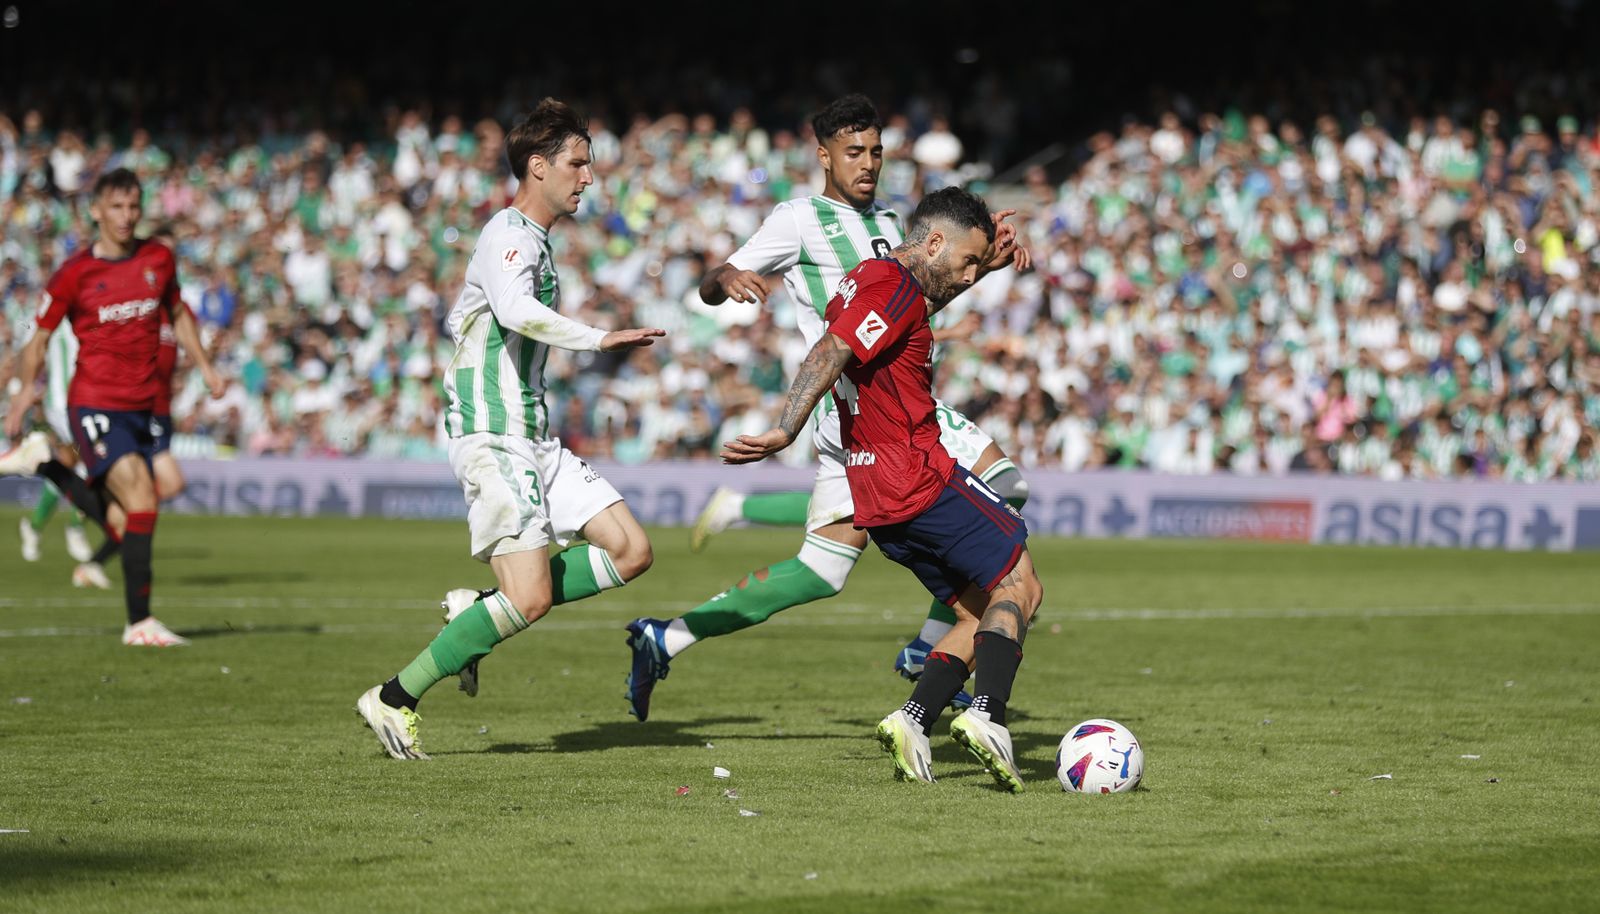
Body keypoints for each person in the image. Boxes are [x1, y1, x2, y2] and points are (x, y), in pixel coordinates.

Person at [624, 95, 1031, 721]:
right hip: (850, 408)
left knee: (822, 570)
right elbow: (712, 284)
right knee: (1004, 485)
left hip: (899, 400)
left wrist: (978, 267)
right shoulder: (797, 219)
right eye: (853, 153)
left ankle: (667, 637)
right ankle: (932, 647)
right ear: (823, 156)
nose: (867, 164)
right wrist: (723, 282)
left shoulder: (898, 222)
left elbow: (907, 312)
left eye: (875, 152)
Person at [354, 98, 665, 760]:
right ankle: (394, 696)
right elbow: (515, 309)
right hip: (492, 431)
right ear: (538, 166)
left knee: (631, 549)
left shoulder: (538, 240)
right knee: (531, 599)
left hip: (534, 434)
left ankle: (478, 607)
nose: (588, 178)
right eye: (578, 165)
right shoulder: (509, 235)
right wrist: (600, 337)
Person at [722, 187, 1044, 791]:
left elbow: (901, 319)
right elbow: (831, 351)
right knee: (1021, 584)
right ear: (934, 241)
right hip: (915, 472)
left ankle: (913, 719)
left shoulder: (874, 280)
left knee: (978, 609)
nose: (971, 272)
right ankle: (989, 717)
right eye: (968, 260)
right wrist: (783, 430)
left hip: (873, 490)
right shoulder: (893, 286)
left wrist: (980, 274)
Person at [1, 167, 226, 646]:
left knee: (126, 523)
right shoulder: (75, 274)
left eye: (133, 206)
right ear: (97, 211)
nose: (126, 216)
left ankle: (46, 464)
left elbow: (179, 312)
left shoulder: (158, 259)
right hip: (95, 403)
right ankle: (139, 623)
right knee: (145, 497)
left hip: (143, 408)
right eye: (117, 207)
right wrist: (22, 394)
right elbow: (37, 340)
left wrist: (204, 366)